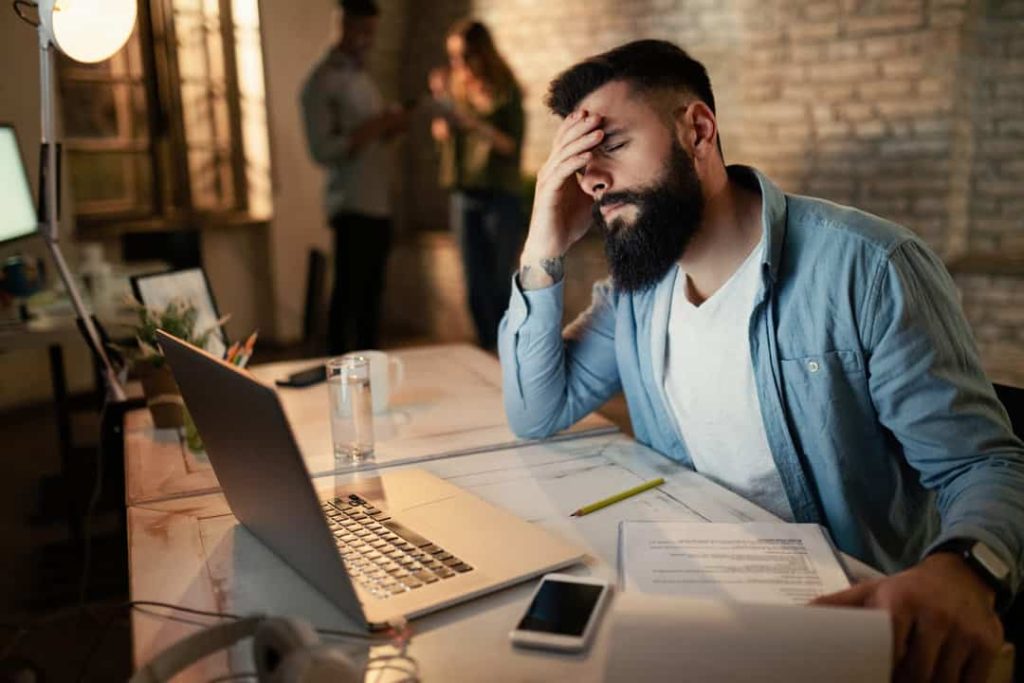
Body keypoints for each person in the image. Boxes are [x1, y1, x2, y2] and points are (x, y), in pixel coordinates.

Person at [499, 39, 1024, 681]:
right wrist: (540, 242)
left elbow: (983, 462)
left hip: (848, 626)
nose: (593, 179)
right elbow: (536, 409)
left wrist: (964, 572)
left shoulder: (867, 267)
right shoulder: (638, 296)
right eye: (578, 164)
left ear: (697, 130)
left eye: (609, 146)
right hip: (703, 602)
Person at [301, 0, 407, 354]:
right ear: (341, 25)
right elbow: (322, 150)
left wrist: (389, 128)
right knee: (348, 295)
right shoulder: (321, 82)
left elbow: (371, 137)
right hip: (351, 203)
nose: (367, 40)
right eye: (362, 31)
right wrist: (374, 126)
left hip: (378, 200)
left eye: (372, 33)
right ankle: (339, 371)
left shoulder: (361, 76)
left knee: (372, 297)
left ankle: (371, 372)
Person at [429, 20, 525, 351]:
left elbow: (511, 145)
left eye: (465, 55)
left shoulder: (505, 89)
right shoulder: (454, 90)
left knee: (501, 280)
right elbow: (444, 141)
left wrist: (471, 123)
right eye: (453, 56)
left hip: (500, 194)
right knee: (474, 283)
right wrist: (442, 122)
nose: (458, 64)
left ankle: (508, 350)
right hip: (464, 193)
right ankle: (486, 349)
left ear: (483, 53)